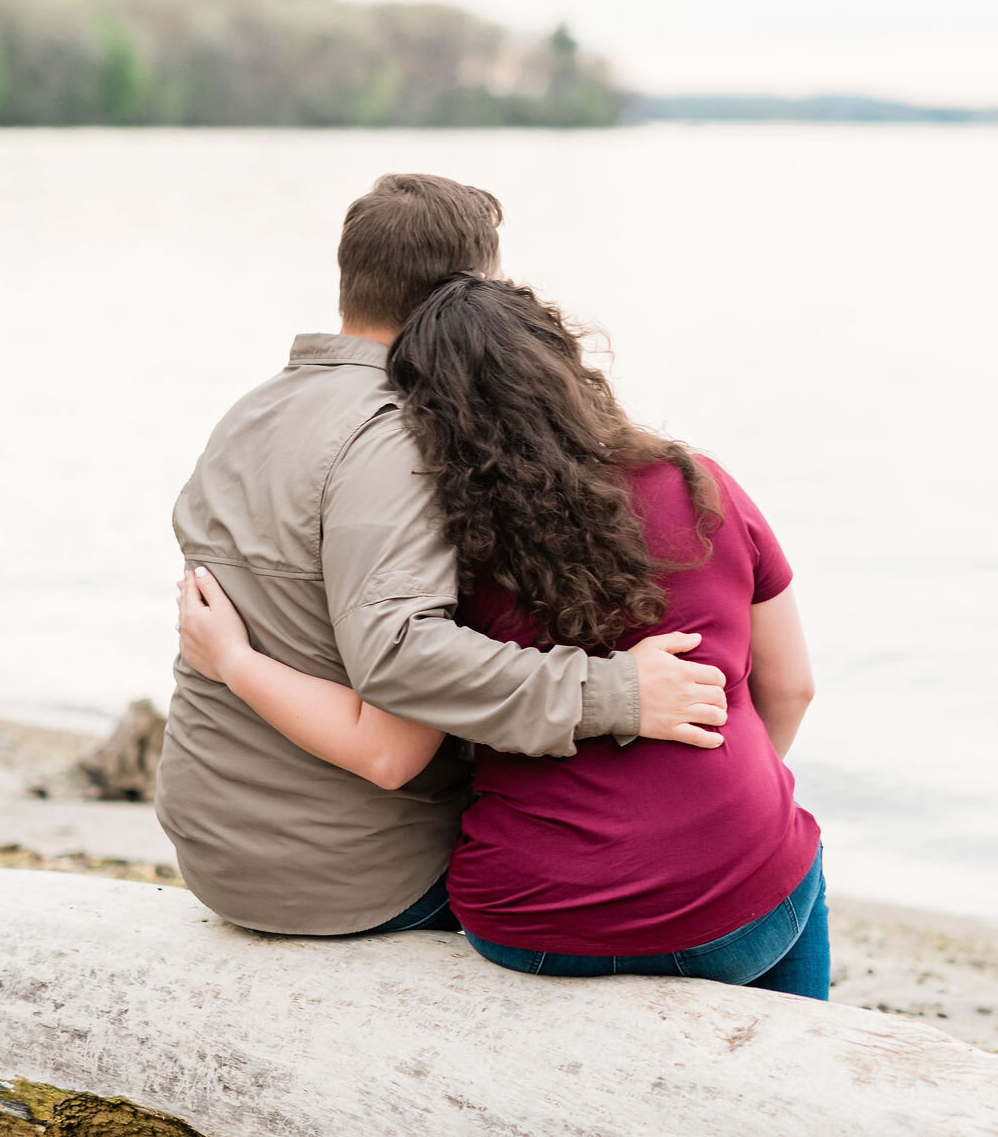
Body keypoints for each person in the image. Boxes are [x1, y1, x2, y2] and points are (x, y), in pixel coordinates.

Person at [176, 275, 828, 996]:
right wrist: (723, 801)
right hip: (746, 899)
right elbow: (792, 687)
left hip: (532, 921)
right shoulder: (701, 484)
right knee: (789, 869)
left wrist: (235, 658)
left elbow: (395, 735)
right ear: (568, 365)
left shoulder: (460, 553)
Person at [158, 174, 730, 938]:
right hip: (352, 876)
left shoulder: (251, 410)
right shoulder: (397, 439)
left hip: (214, 847)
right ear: (463, 297)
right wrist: (615, 691)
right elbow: (400, 656)